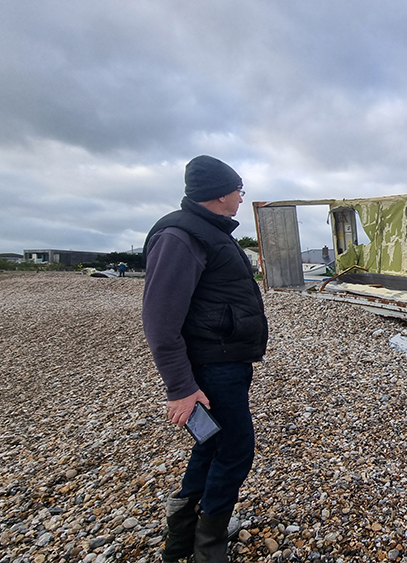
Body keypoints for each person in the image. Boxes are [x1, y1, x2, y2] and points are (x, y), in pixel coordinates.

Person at [143, 155, 268, 563]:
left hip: (225, 361)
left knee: (211, 445)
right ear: (220, 193)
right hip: (211, 368)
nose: (240, 198)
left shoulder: (208, 231)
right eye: (238, 190)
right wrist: (180, 388)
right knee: (235, 450)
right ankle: (209, 545)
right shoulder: (182, 236)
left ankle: (181, 538)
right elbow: (160, 320)